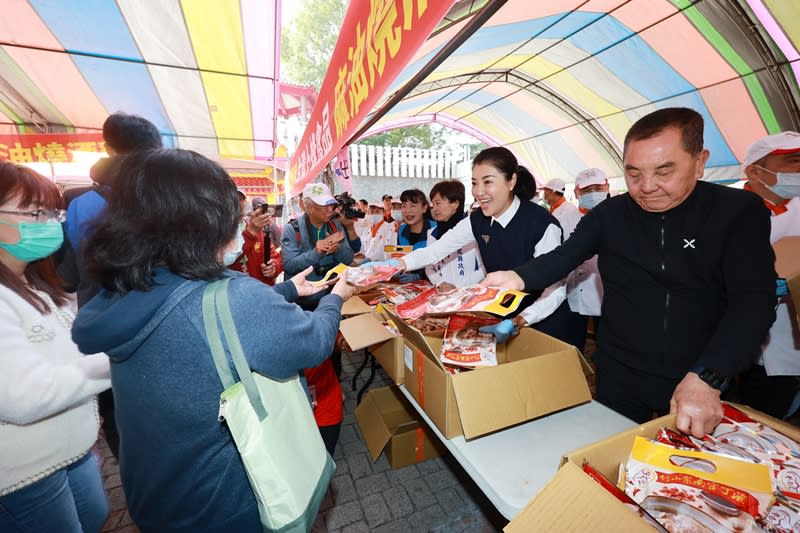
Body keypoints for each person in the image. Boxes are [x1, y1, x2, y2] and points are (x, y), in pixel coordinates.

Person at [71, 149, 354, 532]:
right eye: (233, 217)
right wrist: (337, 297)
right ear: (200, 222)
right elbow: (313, 342)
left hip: (155, 495)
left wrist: (287, 289)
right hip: (224, 503)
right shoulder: (234, 295)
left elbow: (207, 312)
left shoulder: (128, 287)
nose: (239, 227)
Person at [482, 107, 777, 437]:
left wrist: (710, 375)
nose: (647, 186)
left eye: (664, 172)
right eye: (634, 174)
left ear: (700, 161)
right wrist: (516, 277)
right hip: (620, 370)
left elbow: (753, 302)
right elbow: (564, 256)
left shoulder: (736, 212)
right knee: (615, 465)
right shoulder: (611, 214)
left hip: (698, 374)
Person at [0, 162, 111, 533]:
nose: (48, 223)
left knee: (94, 517)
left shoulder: (34, 283)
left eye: (51, 213)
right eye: (35, 213)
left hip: (69, 452)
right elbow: (24, 395)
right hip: (23, 473)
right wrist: (117, 363)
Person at [378, 147, 581, 347]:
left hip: (541, 323)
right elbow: (435, 251)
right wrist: (396, 264)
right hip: (500, 317)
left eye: (488, 182)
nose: (478, 192)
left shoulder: (542, 224)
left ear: (511, 181)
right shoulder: (477, 220)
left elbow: (555, 289)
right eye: (474, 183)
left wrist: (520, 320)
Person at [60, 112, 163, 461]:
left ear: (106, 147)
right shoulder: (163, 203)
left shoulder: (79, 206)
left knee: (120, 421)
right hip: (159, 331)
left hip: (103, 335)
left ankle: (139, 482)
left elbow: (67, 279)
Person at [739, 131, 800, 418]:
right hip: (755, 347)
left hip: (790, 339)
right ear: (755, 171)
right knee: (761, 416)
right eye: (793, 161)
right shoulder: (728, 214)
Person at [565, 168, 610, 351]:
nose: (592, 194)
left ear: (607, 187)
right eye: (586, 190)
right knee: (574, 343)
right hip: (578, 292)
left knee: (606, 344)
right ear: (576, 192)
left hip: (607, 294)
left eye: (597, 188)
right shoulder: (567, 218)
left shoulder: (618, 215)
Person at [425, 180, 486, 287]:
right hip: (442, 293)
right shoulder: (432, 233)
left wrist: (458, 286)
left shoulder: (472, 229)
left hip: (470, 292)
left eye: (438, 203)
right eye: (433, 204)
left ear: (455, 204)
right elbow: (429, 266)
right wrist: (440, 283)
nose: (434, 209)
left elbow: (484, 266)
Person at [230, 193, 282, 286]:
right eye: (233, 198)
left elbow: (275, 257)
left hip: (262, 290)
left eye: (241, 199)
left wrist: (273, 267)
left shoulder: (256, 228)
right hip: (235, 293)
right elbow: (228, 260)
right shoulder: (221, 234)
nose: (238, 203)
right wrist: (251, 233)